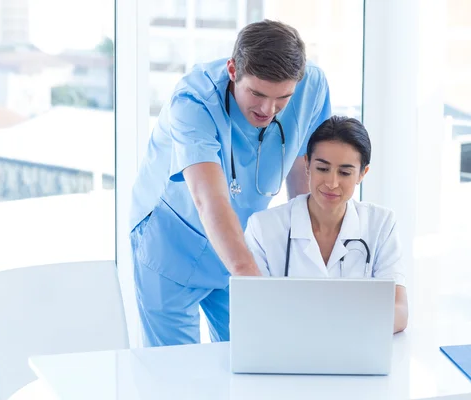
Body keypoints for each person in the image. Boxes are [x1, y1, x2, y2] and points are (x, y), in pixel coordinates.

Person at [129, 20, 331, 346]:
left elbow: (302, 170)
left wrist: (307, 254)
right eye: (257, 93)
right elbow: (209, 199)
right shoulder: (193, 102)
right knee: (176, 377)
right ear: (234, 69)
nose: (268, 109)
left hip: (239, 238)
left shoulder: (312, 86)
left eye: (283, 98)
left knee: (251, 357)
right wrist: (256, 289)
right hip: (170, 242)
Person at [244, 116, 408, 333]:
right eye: (322, 169)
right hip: (288, 354)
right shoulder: (263, 227)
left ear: (362, 174)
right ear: (307, 165)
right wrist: (353, 319)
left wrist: (327, 326)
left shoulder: (381, 224)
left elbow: (399, 311)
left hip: (354, 354)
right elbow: (253, 312)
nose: (332, 183)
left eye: (345, 172)